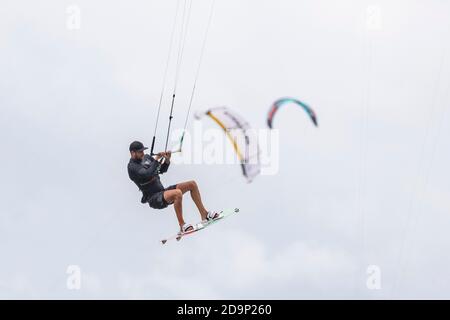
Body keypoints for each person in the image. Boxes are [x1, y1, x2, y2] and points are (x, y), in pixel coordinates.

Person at [127, 141, 218, 233]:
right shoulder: (131, 167)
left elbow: (161, 170)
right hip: (154, 198)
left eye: (143, 151)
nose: (143, 153)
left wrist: (167, 160)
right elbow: (147, 173)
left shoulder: (147, 158)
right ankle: (182, 225)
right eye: (140, 152)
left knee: (192, 184)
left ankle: (204, 214)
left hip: (162, 191)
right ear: (132, 153)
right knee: (177, 193)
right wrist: (156, 160)